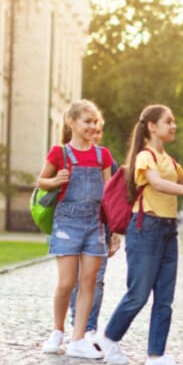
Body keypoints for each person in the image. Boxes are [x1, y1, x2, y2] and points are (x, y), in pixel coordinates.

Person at [96, 104, 183, 365]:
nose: (174, 126)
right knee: (138, 294)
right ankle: (108, 338)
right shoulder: (145, 158)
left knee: (165, 298)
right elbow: (157, 184)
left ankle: (156, 356)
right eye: (168, 121)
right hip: (146, 228)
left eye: (174, 121)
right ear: (152, 126)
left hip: (168, 231)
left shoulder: (170, 161)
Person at [37, 99, 117, 358]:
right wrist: (54, 180)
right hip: (67, 223)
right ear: (72, 122)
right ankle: (57, 331)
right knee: (66, 283)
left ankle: (78, 339)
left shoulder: (102, 155)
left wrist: (112, 230)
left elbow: (107, 195)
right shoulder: (59, 153)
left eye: (96, 122)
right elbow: (40, 182)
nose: (93, 126)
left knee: (88, 282)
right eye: (87, 121)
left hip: (94, 224)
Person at [67, 121, 120, 344]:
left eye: (99, 132)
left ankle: (89, 329)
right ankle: (75, 326)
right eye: (92, 130)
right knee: (73, 280)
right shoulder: (66, 156)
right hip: (72, 226)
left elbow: (114, 200)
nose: (95, 135)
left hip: (100, 228)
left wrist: (115, 233)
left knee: (95, 280)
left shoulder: (109, 164)